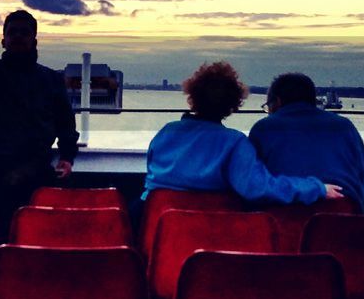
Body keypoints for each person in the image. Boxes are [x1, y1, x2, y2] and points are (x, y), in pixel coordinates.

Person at [0, 10, 79, 264]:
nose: (18, 37)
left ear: (35, 39)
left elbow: (66, 122)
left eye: (24, 32)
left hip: (39, 168)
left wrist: (66, 156)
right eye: (13, 32)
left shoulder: (51, 78)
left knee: (38, 233)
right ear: (3, 40)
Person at [144, 61, 341, 205]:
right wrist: (317, 188)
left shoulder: (165, 133)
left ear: (192, 96)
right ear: (233, 105)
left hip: (158, 233)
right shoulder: (234, 142)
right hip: (206, 237)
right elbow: (258, 188)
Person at [249, 72, 364, 210]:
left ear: (277, 102)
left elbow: (254, 184)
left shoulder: (263, 128)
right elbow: (363, 178)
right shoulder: (344, 126)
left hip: (283, 217)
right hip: (340, 217)